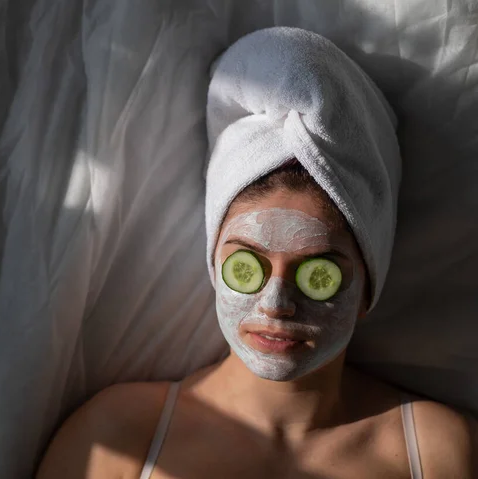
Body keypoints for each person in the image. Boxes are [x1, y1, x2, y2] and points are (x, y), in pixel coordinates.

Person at [36, 28, 477, 478]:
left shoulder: (439, 449)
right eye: (247, 266)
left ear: (368, 285)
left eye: (317, 272)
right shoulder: (116, 438)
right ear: (214, 265)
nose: (276, 305)